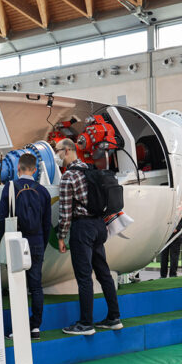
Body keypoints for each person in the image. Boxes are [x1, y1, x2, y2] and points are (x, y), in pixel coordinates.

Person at [55, 139, 122, 335]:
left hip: (82, 228)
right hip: (99, 225)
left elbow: (65, 212)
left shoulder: (68, 177)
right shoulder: (91, 170)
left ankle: (85, 323)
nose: (56, 155)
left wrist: (61, 236)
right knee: (103, 273)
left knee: (84, 277)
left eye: (58, 151)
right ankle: (114, 317)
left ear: (67, 150)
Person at [0, 153, 52, 340]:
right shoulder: (43, 191)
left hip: (16, 242)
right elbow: (47, 224)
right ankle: (35, 327)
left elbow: (1, 218)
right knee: (36, 287)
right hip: (36, 242)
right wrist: (42, 245)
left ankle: (19, 329)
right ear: (35, 170)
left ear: (18, 168)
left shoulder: (10, 187)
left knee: (17, 287)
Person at [161, 209, 182, 278]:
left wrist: (177, 228)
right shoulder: (167, 208)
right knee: (164, 255)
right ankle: (163, 275)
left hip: (176, 236)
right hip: (165, 235)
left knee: (174, 256)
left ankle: (173, 274)